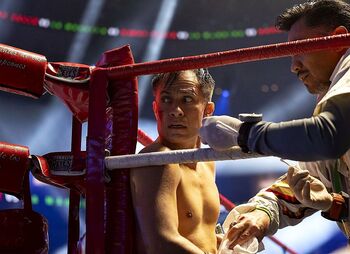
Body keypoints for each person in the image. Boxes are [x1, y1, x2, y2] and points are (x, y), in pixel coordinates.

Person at [199, 0, 350, 250]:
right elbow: (311, 177)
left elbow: (327, 136)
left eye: (300, 49)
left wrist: (244, 134)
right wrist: (262, 214)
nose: (293, 66)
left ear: (339, 40)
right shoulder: (333, 97)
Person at [130, 69, 220, 254]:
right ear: (156, 109)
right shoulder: (159, 161)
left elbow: (199, 233)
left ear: (207, 110)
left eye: (186, 100)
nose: (175, 111)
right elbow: (163, 243)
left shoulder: (207, 162)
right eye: (166, 100)